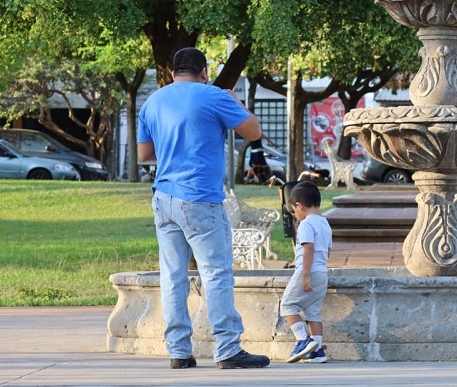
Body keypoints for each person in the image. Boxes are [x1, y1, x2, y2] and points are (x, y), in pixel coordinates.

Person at [137, 47, 271, 370]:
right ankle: (227, 348)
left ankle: (179, 351)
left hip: (163, 198)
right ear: (204, 72)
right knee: (216, 273)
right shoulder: (214, 96)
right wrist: (236, 102)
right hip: (200, 198)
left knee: (172, 276)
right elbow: (254, 132)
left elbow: (144, 154)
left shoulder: (152, 102)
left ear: (172, 73)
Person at [281, 180, 333, 364]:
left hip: (308, 271)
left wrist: (304, 275)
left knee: (288, 305)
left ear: (299, 206)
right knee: (313, 312)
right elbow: (326, 251)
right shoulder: (325, 223)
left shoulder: (306, 224)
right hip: (322, 272)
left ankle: (303, 341)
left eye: (294, 210)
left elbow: (308, 248)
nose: (295, 215)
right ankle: (317, 351)